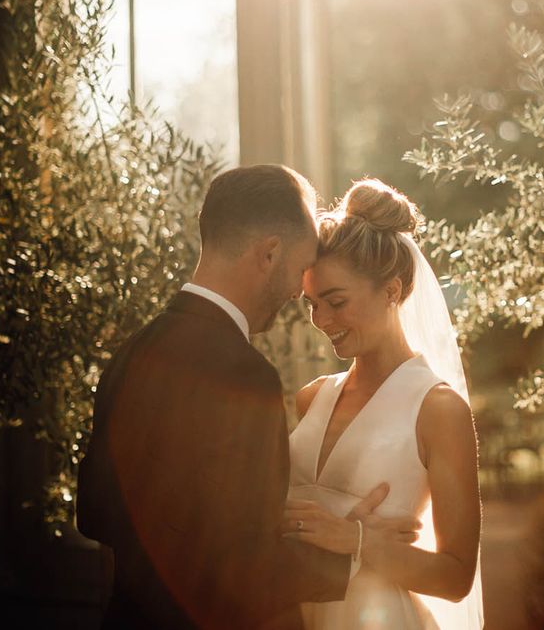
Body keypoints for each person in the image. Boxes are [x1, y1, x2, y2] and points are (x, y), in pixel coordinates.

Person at [76, 165, 417, 630]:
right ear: (269, 253)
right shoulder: (243, 375)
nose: (300, 291)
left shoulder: (130, 355)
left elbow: (95, 515)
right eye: (300, 270)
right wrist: (354, 548)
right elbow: (244, 566)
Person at [284, 179, 484, 629]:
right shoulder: (310, 399)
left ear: (392, 291)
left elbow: (455, 577)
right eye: (312, 304)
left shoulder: (438, 410)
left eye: (335, 301)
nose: (321, 321)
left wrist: (357, 541)